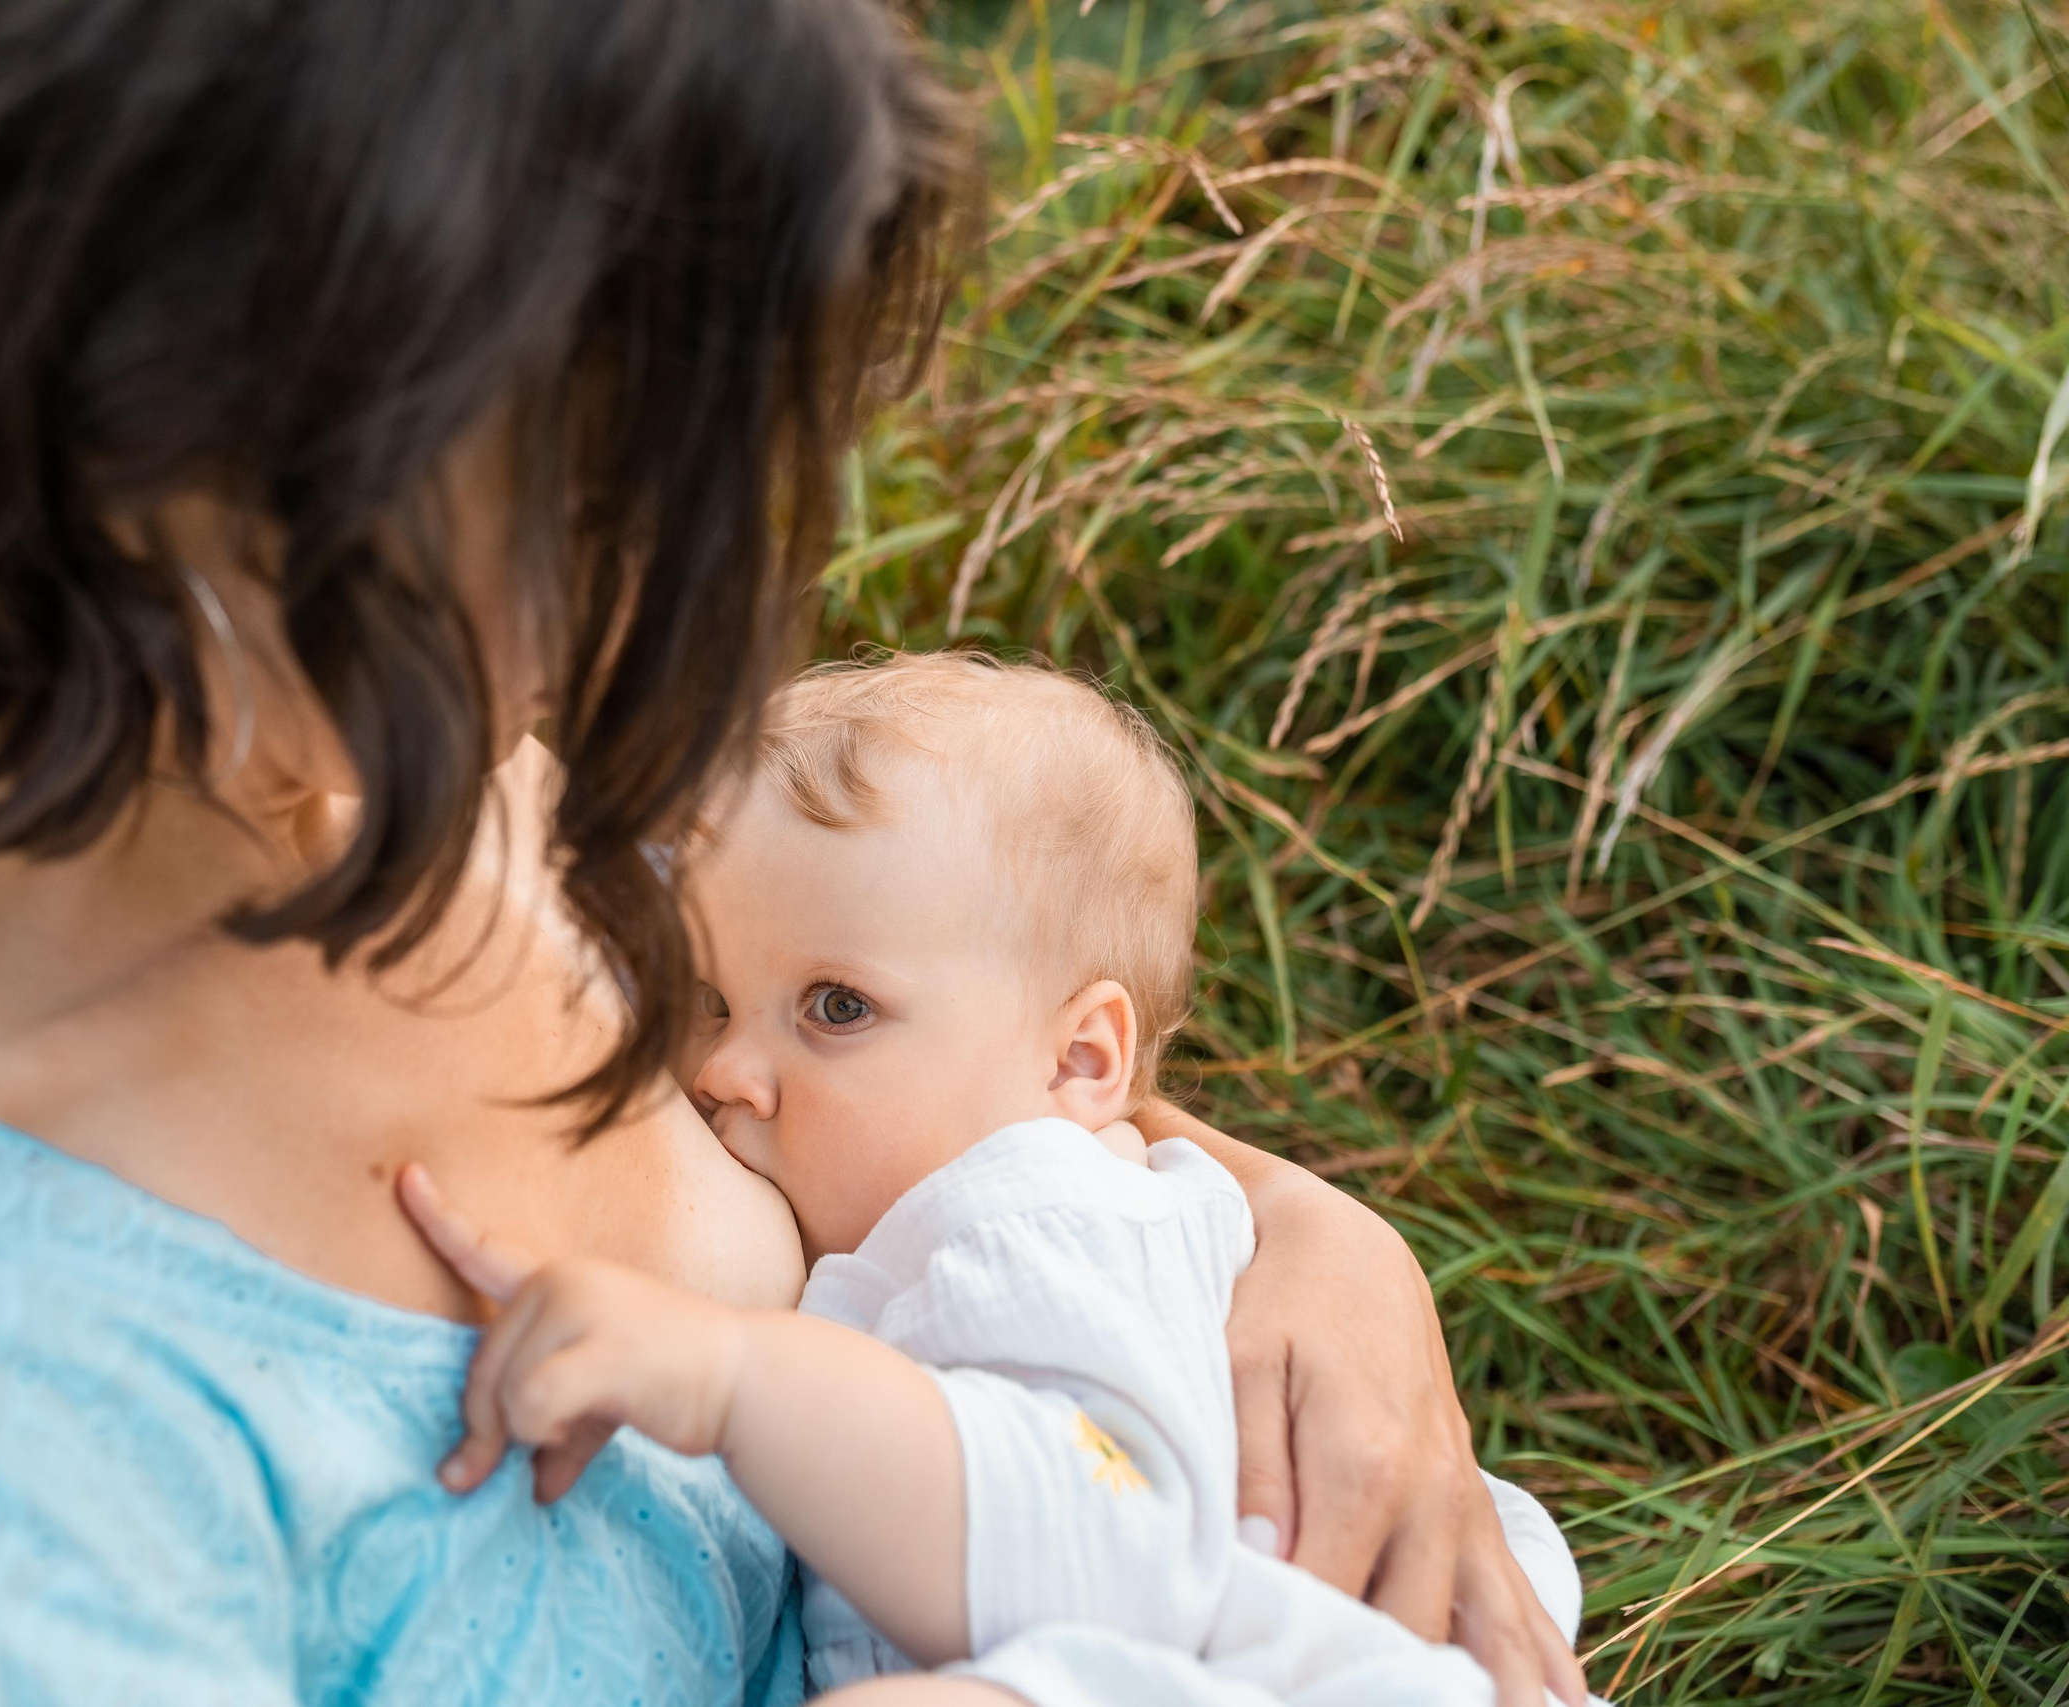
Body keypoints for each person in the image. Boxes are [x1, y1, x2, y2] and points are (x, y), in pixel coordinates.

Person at [0, 1, 1584, 1702]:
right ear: (229, 421)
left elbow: (892, 1072)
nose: (646, 622)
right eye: (590, 484)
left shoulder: (328, 709)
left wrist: (1294, 1240)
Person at [396, 654, 1590, 1707]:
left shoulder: (1030, 1220)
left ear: (1081, 1060)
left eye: (837, 1008)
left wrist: (729, 1383)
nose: (720, 1068)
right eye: (712, 1001)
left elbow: (1099, 1549)